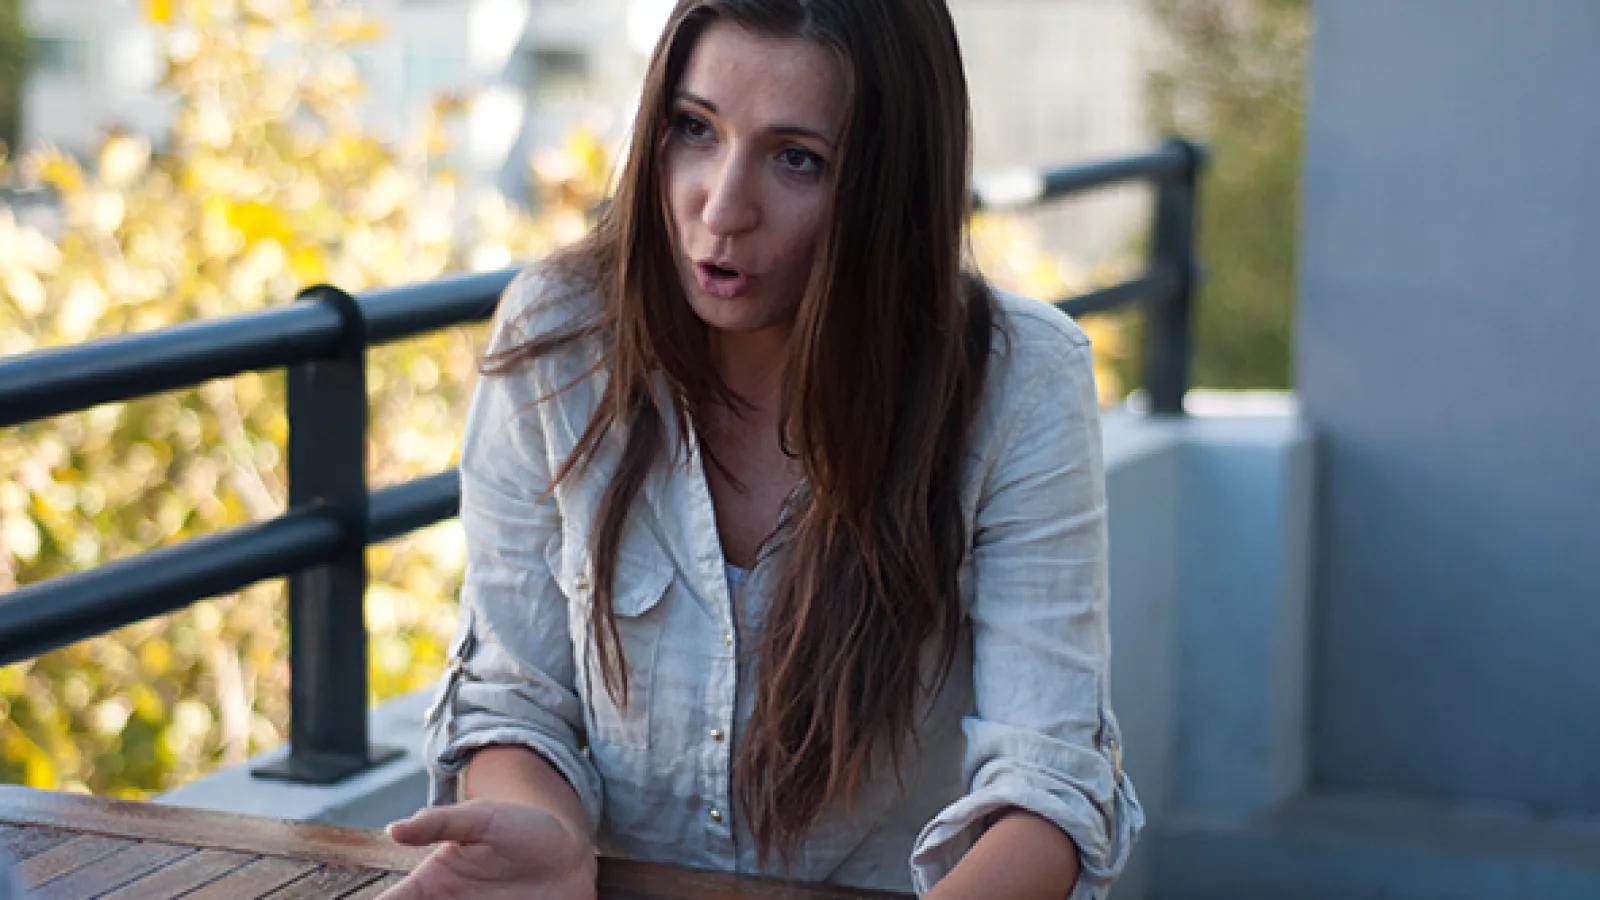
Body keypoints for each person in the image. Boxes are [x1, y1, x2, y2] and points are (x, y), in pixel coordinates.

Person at [380, 1, 1142, 897]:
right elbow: (514, 696)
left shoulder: (1017, 382)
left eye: (797, 159)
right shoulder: (559, 337)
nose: (722, 206)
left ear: (890, 185)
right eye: (695, 128)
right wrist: (550, 839)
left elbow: (1046, 786)